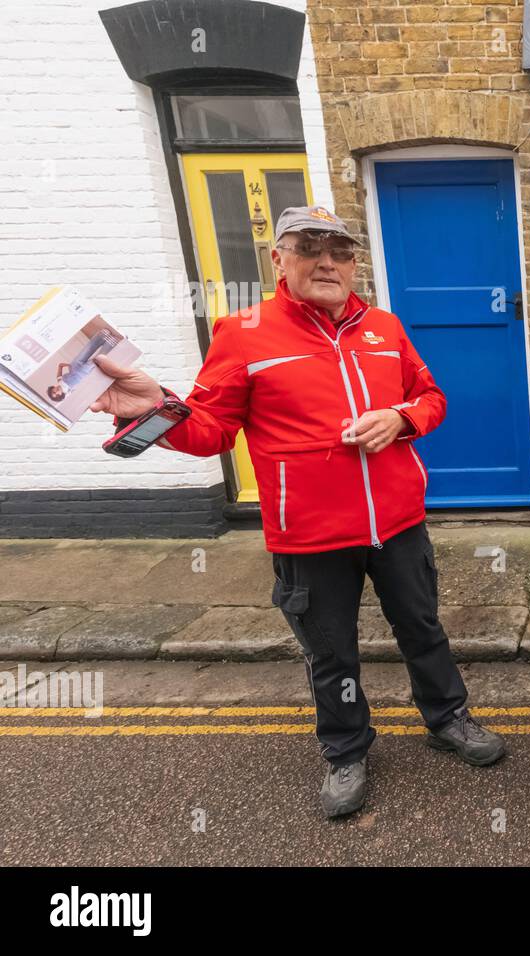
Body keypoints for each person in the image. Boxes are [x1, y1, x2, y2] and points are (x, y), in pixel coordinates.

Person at [90, 205, 506, 818]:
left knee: (422, 628)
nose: (327, 262)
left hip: (397, 523)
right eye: (309, 248)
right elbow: (210, 432)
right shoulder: (245, 332)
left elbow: (431, 396)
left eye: (340, 251)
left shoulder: (385, 328)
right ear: (279, 259)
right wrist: (153, 407)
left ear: (354, 263)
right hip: (308, 536)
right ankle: (345, 749)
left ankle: (448, 719)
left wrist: (402, 418)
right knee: (332, 652)